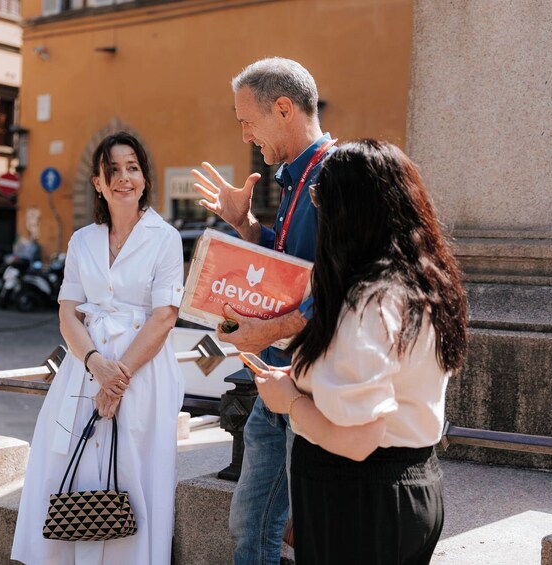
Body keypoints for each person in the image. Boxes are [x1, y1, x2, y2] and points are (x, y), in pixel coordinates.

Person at [254, 140, 468, 564]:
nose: (318, 211)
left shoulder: (369, 300)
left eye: (321, 198)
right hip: (404, 486)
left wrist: (290, 402)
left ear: (350, 210)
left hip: (360, 499)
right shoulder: (427, 282)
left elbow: (358, 439)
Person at [11, 132, 185, 565]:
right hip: (83, 368)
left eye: (133, 168)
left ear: (144, 178)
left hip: (143, 373)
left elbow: (165, 316)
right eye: (114, 170)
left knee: (133, 470)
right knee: (71, 463)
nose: (124, 177)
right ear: (98, 182)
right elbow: (67, 312)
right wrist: (95, 366)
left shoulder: (165, 238)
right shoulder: (82, 240)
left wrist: (117, 377)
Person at [192, 57, 335, 564]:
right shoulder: (295, 177)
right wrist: (247, 226)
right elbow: (290, 269)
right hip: (279, 380)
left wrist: (264, 333)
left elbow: (337, 290)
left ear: (283, 108)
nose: (248, 136)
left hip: (313, 385)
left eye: (247, 122)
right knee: (249, 524)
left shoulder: (336, 176)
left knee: (307, 532)